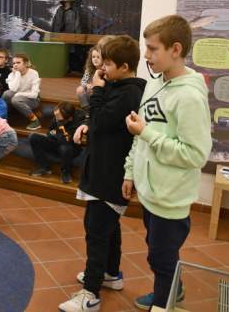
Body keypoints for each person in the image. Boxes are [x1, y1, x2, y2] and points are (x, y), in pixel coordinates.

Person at [123, 15, 212, 311]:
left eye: (152, 49)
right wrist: (130, 172)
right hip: (150, 190)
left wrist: (147, 134)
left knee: (161, 258)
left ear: (175, 49)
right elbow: (141, 132)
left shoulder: (189, 97)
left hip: (170, 197)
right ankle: (175, 291)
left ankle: (164, 303)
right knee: (159, 254)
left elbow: (195, 155)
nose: (146, 56)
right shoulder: (155, 83)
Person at [59, 35, 146, 312]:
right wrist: (87, 123)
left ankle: (91, 293)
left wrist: (96, 89)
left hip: (110, 173)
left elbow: (101, 119)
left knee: (96, 231)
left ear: (124, 66)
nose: (102, 68)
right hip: (102, 168)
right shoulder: (118, 86)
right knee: (108, 227)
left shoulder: (129, 92)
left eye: (107, 64)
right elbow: (97, 121)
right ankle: (111, 273)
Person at [28, 102, 86, 182]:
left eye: (59, 119)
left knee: (65, 148)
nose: (56, 119)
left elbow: (67, 140)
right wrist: (56, 135)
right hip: (56, 142)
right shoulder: (58, 116)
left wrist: (56, 134)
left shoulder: (78, 121)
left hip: (71, 147)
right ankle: (44, 167)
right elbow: (49, 131)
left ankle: (66, 172)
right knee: (33, 137)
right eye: (55, 116)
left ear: (69, 119)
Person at [2, 53, 41, 130]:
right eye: (14, 63)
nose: (15, 65)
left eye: (18, 62)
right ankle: (4, 118)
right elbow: (13, 89)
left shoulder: (33, 73)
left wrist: (19, 94)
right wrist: (17, 74)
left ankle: (35, 121)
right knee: (6, 94)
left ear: (25, 64)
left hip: (32, 100)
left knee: (16, 99)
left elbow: (34, 94)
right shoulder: (11, 75)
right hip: (17, 97)